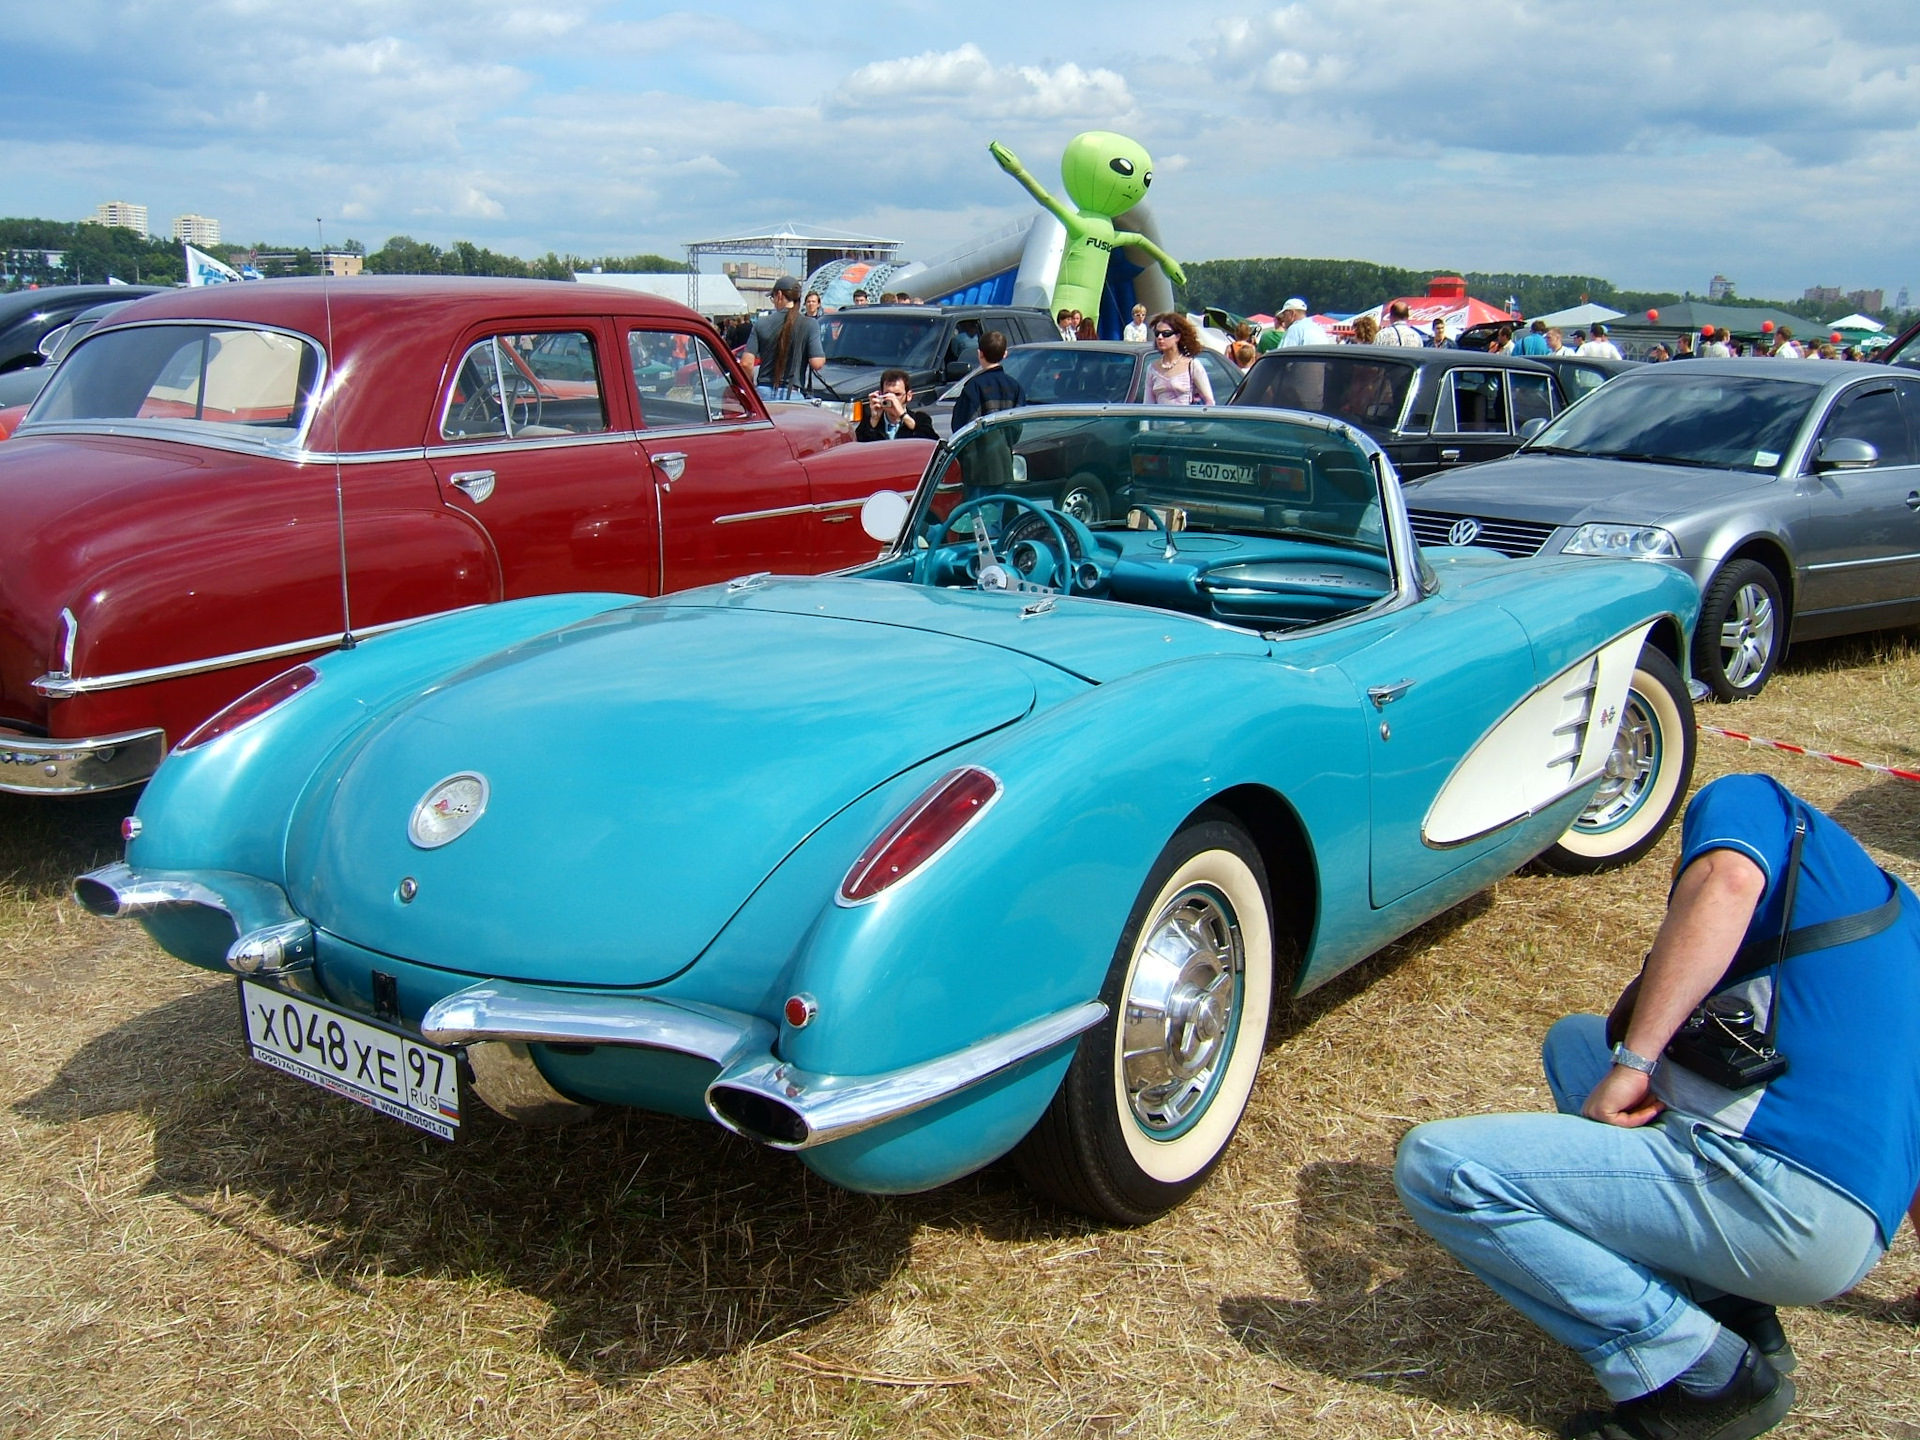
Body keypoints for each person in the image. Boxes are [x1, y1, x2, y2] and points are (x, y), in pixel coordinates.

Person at [1396, 773, 1920, 1440]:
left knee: (1438, 1166)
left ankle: (1696, 1371)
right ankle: (1737, 1310)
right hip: (1848, 1233)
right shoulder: (1898, 920)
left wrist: (1636, 1064)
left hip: (1777, 1194)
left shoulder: (1755, 799)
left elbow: (1725, 884)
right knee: (1580, 1044)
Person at [742, 276, 824, 400]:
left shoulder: (762, 323)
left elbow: (746, 363)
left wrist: (751, 386)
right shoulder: (809, 324)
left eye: (773, 297)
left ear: (779, 295)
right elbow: (817, 363)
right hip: (793, 394)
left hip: (764, 393)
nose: (774, 301)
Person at [950, 329, 1025, 432]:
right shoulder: (1016, 387)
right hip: (1007, 446)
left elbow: (962, 426)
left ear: (980, 353)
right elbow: (1020, 425)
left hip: (981, 447)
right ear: (1005, 354)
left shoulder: (973, 387)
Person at [1144, 313, 1215, 405]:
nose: (1160, 337)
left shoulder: (1192, 365)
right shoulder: (1152, 368)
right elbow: (1147, 404)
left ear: (1177, 337)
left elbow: (1209, 401)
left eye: (1166, 334)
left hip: (1186, 417)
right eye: (1157, 334)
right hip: (1160, 419)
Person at [855, 368, 936, 442]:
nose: (892, 399)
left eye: (897, 394)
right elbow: (859, 447)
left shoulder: (920, 419)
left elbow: (930, 443)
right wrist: (874, 420)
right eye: (887, 394)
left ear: (908, 396)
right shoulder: (869, 421)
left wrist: (903, 415)